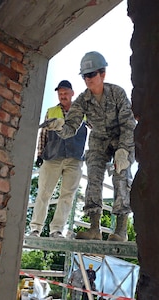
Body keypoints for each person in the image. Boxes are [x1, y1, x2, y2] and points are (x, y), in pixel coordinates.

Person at [42, 51, 136, 242]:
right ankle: (94, 228)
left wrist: (124, 151)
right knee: (93, 176)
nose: (87, 79)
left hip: (121, 139)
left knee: (121, 176)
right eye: (85, 76)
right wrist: (60, 125)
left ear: (103, 74)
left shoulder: (117, 93)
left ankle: (120, 230)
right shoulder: (82, 100)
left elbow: (128, 124)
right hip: (99, 139)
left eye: (91, 74)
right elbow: (71, 128)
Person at [29, 80, 87, 238]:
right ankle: (35, 228)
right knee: (43, 193)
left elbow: (96, 128)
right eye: (60, 93)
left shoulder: (83, 111)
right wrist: (39, 154)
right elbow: (44, 134)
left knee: (67, 196)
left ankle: (57, 230)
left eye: (65, 93)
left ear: (72, 93)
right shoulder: (51, 111)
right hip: (52, 156)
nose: (62, 95)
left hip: (75, 158)